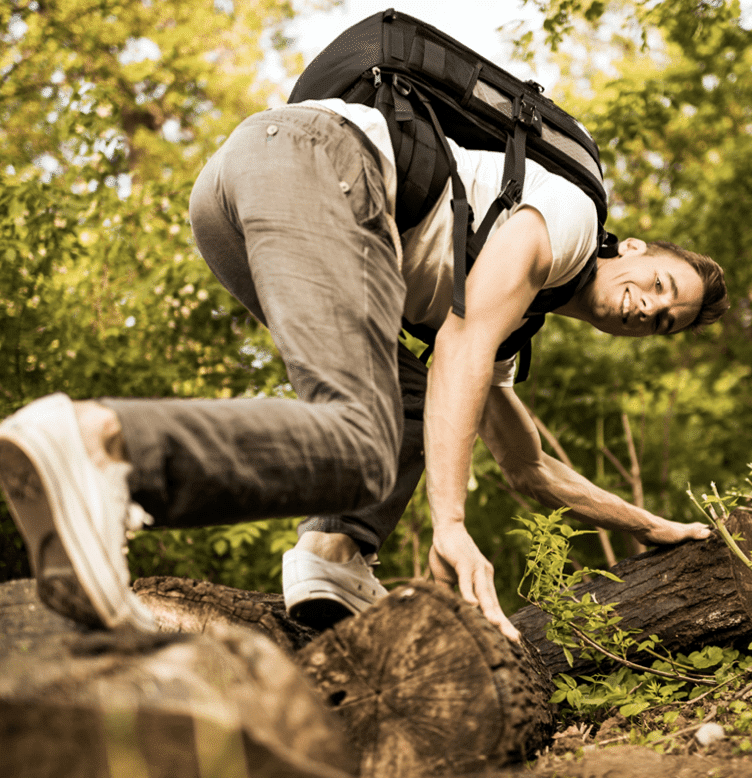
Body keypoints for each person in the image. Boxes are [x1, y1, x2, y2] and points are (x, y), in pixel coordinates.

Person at [0, 95, 729, 641]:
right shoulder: (568, 222)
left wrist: (647, 524)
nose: (648, 310)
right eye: (663, 286)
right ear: (632, 247)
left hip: (238, 190)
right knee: (363, 437)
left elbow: (526, 465)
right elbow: (461, 344)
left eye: (664, 323)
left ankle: (332, 555)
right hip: (320, 161)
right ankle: (104, 445)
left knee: (406, 408)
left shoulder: (519, 315)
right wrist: (448, 523)